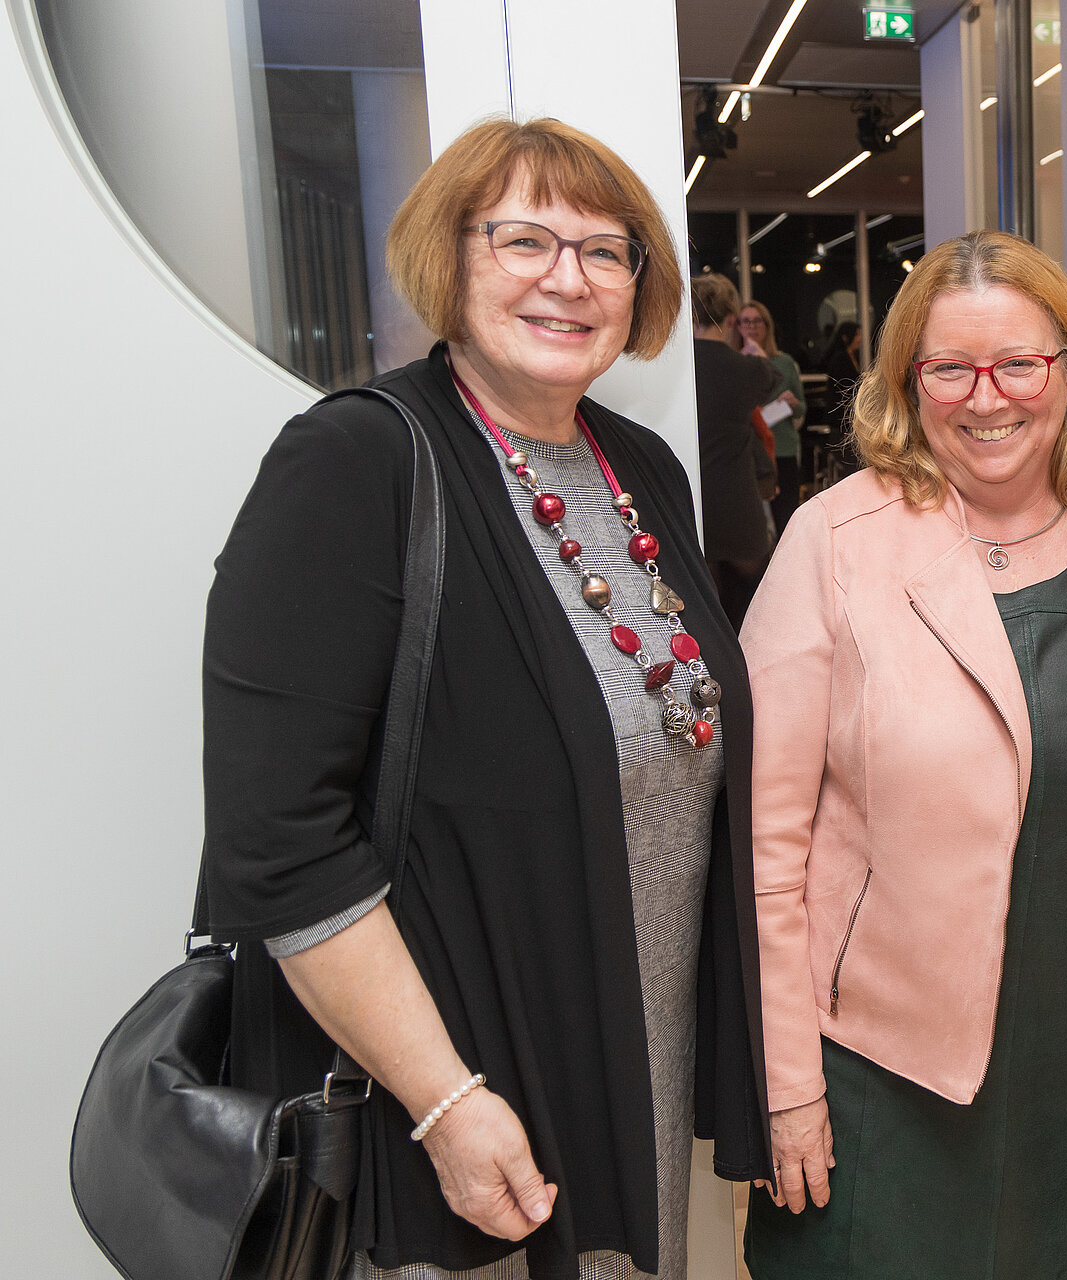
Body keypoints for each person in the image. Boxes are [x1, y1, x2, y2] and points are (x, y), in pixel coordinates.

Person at [200, 116, 771, 1280]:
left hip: (634, 1065)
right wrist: (445, 1100)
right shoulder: (355, 462)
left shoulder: (641, 467)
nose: (569, 278)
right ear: (448, 258)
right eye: (524, 240)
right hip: (451, 1101)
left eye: (605, 250)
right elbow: (280, 840)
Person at [739, 230, 1067, 1280]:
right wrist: (785, 1082)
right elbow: (762, 849)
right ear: (907, 382)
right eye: (950, 369)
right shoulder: (834, 543)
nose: (987, 398)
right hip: (874, 1067)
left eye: (1019, 363)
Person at [690, 273, 779, 629]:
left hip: (692, 499)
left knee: (705, 609)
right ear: (730, 319)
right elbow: (773, 379)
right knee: (753, 603)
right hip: (738, 500)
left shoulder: (677, 371)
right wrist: (756, 353)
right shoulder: (747, 369)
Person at [734, 300, 808, 536]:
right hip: (748, 451)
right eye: (746, 321)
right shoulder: (735, 362)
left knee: (786, 520)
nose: (751, 326)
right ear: (737, 326)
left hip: (783, 449)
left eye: (757, 321)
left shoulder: (784, 363)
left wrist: (794, 404)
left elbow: (802, 408)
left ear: (767, 326)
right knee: (752, 525)